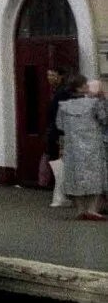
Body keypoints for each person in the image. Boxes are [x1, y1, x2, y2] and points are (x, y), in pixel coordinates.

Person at [55, 76, 108, 221]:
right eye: (85, 85)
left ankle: (80, 209)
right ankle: (92, 209)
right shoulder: (95, 103)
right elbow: (104, 119)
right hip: (93, 146)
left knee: (75, 177)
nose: (88, 87)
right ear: (80, 88)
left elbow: (60, 125)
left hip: (72, 147)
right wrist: (103, 99)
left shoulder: (63, 106)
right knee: (96, 176)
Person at [45, 66, 76, 207]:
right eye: (48, 75)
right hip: (55, 133)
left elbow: (59, 116)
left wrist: (59, 135)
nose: (50, 78)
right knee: (58, 165)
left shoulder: (62, 93)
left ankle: (60, 195)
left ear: (61, 76)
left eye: (52, 75)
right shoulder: (56, 92)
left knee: (60, 165)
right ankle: (59, 195)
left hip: (59, 133)